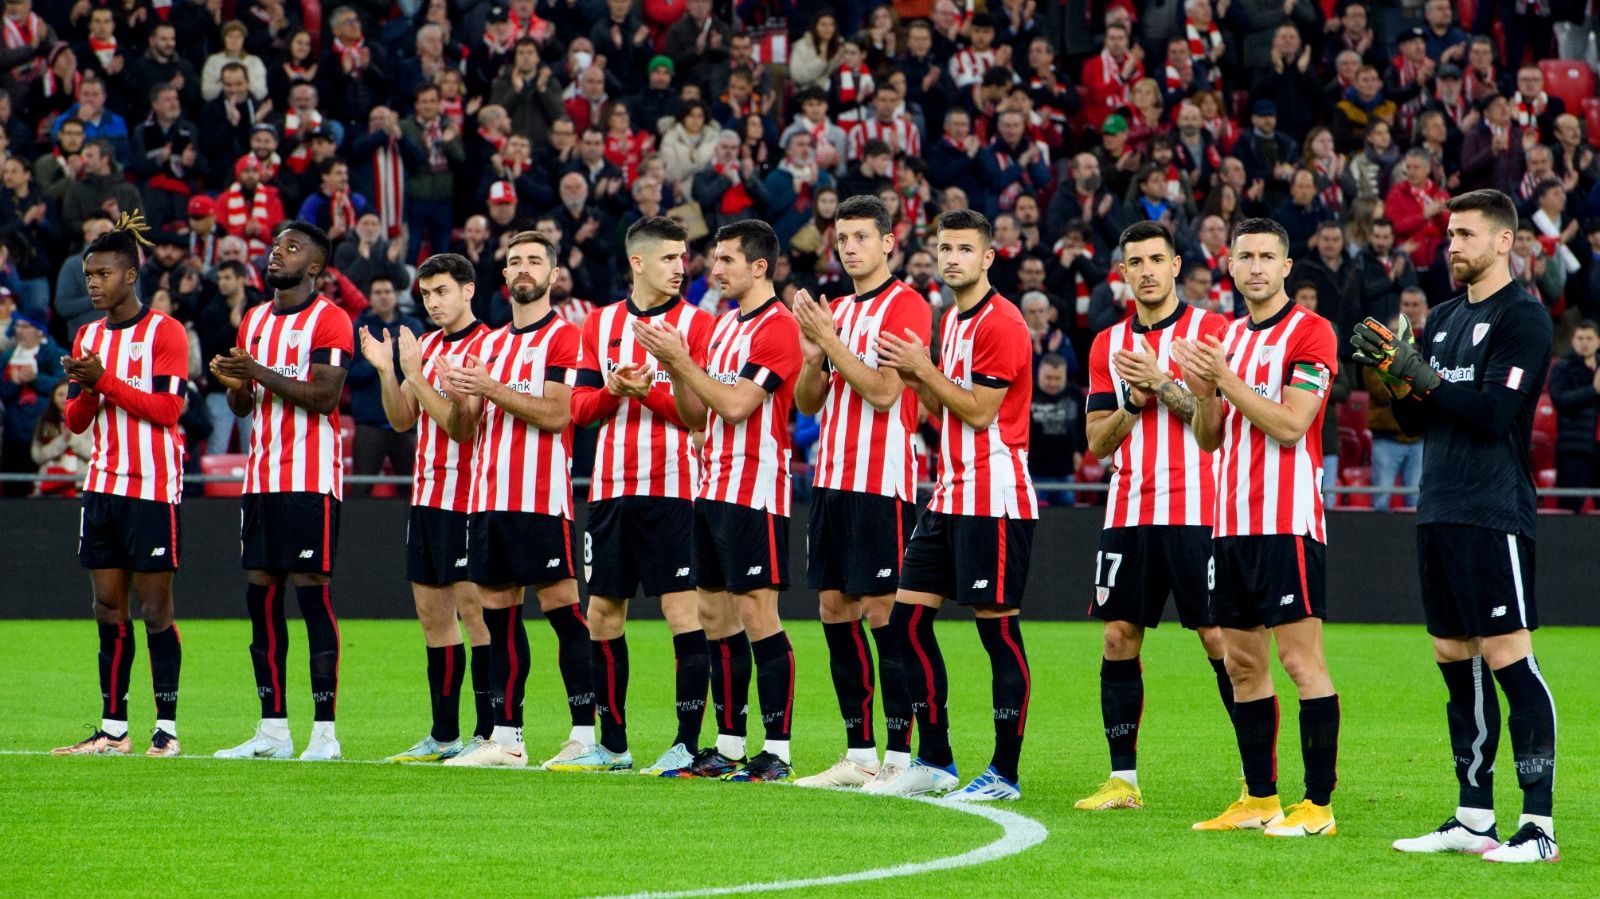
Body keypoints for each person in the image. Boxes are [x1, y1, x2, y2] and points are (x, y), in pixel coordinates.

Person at [1358, 190, 1561, 862]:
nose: (1453, 246)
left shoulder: (1525, 320)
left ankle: (1538, 827)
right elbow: (1418, 422)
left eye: (1467, 235)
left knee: (1511, 658)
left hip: (1492, 511)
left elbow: (1494, 415)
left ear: (1504, 242)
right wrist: (1395, 376)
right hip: (1437, 507)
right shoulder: (1441, 317)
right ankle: (1474, 815)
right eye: (1450, 235)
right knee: (1454, 660)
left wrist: (1425, 378)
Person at [1172, 217, 1341, 838]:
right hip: (1229, 523)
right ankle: (1261, 799)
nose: (1256, 267)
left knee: (1301, 662)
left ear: (1286, 266)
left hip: (1287, 523)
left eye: (1268, 256)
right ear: (1231, 265)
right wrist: (1204, 391)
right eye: (1245, 257)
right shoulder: (1229, 338)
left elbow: (1293, 424)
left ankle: (1318, 807)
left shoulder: (1312, 332)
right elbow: (1211, 436)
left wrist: (1225, 380)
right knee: (1243, 665)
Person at [871, 208, 1036, 801]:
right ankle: (936, 759)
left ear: (988, 257)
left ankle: (1005, 772)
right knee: (906, 619)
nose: (951, 259)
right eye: (944, 248)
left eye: (965, 249)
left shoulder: (1002, 323)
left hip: (994, 496)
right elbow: (949, 409)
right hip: (949, 493)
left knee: (997, 634)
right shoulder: (955, 321)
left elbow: (980, 411)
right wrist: (918, 379)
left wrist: (921, 369)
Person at [633, 220, 803, 783]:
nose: (715, 268)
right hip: (709, 487)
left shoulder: (777, 328)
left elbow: (736, 406)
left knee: (758, 614)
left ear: (760, 266)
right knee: (713, 614)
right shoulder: (725, 326)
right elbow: (694, 415)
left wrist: (681, 363)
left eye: (727, 259)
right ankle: (729, 746)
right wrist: (675, 367)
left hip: (755, 489)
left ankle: (776, 749)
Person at [1074, 220, 1233, 810]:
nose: (1145, 270)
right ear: (1122, 274)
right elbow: (1097, 442)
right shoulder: (1106, 346)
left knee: (1220, 639)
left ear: (1175, 267)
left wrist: (1162, 383)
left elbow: (1211, 423)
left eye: (1155, 260)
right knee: (1118, 637)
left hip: (1200, 511)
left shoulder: (1210, 331)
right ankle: (1124, 781)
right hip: (1128, 511)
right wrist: (1134, 404)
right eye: (1134, 261)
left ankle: (1254, 781)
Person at [554, 216, 715, 776]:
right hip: (609, 492)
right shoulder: (598, 324)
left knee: (681, 611)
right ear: (638, 262)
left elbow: (701, 412)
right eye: (670, 258)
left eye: (683, 257)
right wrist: (612, 391)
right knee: (601, 614)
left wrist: (646, 395)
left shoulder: (697, 324)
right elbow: (575, 409)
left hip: (675, 489)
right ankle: (614, 746)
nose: (681, 267)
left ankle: (687, 744)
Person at [789, 195, 930, 789]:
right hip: (830, 480)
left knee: (881, 611)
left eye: (860, 237)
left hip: (881, 482)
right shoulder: (837, 309)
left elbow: (882, 392)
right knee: (832, 608)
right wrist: (814, 354)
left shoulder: (909, 305)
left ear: (887, 243)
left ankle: (901, 754)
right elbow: (806, 402)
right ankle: (859, 751)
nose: (848, 247)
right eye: (841, 238)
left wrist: (832, 341)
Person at [440, 230, 594, 770]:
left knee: (562, 612)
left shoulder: (564, 338)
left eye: (534, 260)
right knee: (499, 616)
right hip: (487, 498)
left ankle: (585, 734)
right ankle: (506, 739)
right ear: (503, 278)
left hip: (539, 497)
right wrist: (458, 395)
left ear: (553, 276)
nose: (523, 269)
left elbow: (557, 414)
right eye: (514, 262)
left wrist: (489, 387)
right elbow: (464, 430)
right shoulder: (488, 344)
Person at [209, 221, 353, 762]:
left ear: (314, 267)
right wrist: (235, 383)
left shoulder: (331, 320)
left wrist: (257, 372)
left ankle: (324, 734)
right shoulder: (253, 319)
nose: (277, 254)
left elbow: (323, 395)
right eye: (275, 246)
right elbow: (246, 406)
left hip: (311, 481)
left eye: (292, 249)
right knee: (260, 599)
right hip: (262, 478)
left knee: (312, 594)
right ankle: (272, 730)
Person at [48, 215, 187, 758]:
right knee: (108, 608)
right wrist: (82, 388)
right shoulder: (87, 336)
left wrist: (102, 379)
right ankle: (113, 728)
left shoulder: (166, 332)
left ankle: (167, 728)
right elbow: (79, 423)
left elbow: (168, 409)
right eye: (88, 275)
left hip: (152, 488)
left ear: (131, 276)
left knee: (156, 610)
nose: (94, 284)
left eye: (103, 274)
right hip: (102, 487)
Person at [353, 253, 494, 762]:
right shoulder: (426, 346)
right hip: (427, 499)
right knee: (432, 614)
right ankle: (443, 734)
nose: (433, 302)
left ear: (468, 291)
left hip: (468, 500)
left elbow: (461, 429)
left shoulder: (486, 347)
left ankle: (489, 733)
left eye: (443, 292)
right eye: (428, 293)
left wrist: (415, 373)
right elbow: (399, 421)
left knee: (475, 613)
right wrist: (390, 372)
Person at [345, 276, 423, 496]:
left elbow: (421, 370)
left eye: (387, 291)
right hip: (369, 424)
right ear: (369, 298)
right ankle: (355, 531)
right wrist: (379, 363)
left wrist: (397, 359)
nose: (383, 296)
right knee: (360, 490)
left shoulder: (413, 327)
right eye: (378, 292)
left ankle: (409, 531)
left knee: (411, 492)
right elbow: (350, 374)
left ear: (395, 296)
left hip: (407, 423)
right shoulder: (358, 329)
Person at [1547, 321, 1600, 513]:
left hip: (1598, 445)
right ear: (1572, 341)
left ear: (1598, 341)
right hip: (1574, 448)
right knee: (1570, 508)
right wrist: (1593, 390)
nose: (1584, 343)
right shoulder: (1563, 368)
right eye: (1580, 338)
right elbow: (1560, 400)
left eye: (1589, 338)